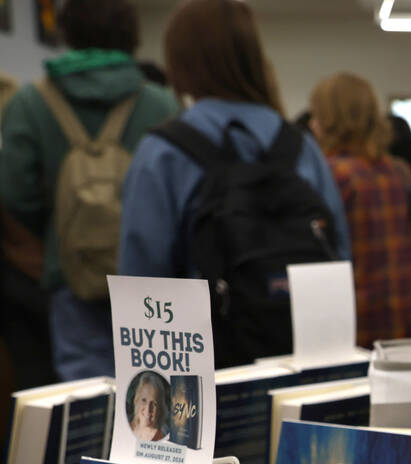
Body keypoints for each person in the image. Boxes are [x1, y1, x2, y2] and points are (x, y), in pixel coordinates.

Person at [0, 0, 177, 380]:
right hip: (150, 287)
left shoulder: (30, 103)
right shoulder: (160, 103)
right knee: (153, 399)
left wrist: (53, 237)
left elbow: (15, 193)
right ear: (130, 34)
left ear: (68, 31)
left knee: (85, 404)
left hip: (70, 276)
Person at [119, 0, 349, 285]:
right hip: (297, 323)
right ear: (252, 56)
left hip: (204, 326)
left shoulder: (163, 152)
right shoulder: (301, 146)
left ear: (179, 63)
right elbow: (337, 252)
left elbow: (143, 281)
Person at [309, 72, 411, 346]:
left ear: (330, 120)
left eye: (317, 115)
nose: (313, 124)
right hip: (405, 325)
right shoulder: (402, 172)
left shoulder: (329, 176)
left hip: (352, 329)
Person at [127, 370, 168, 441]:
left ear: (160, 408)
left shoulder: (163, 438)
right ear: (136, 400)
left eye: (154, 403)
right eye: (144, 400)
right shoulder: (125, 427)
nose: (148, 409)